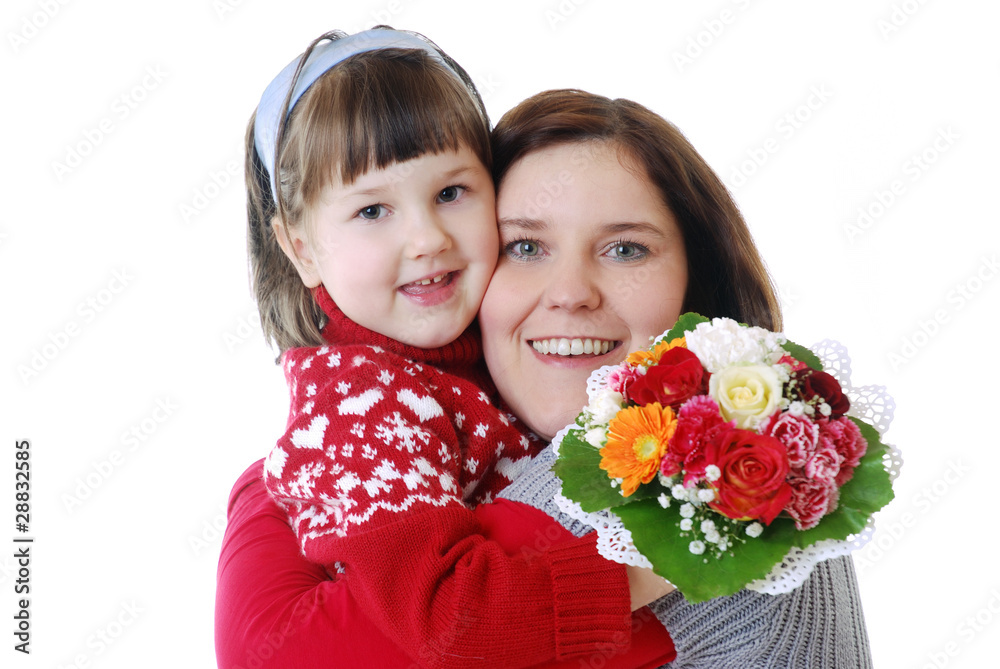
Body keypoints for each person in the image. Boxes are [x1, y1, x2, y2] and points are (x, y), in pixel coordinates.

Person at [226, 26, 675, 669]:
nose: (428, 238)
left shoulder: (486, 359)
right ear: (302, 249)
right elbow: (448, 619)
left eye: (450, 193)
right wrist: (654, 571)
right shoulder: (361, 408)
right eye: (373, 211)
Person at [484, 89, 873, 669]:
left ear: (699, 282)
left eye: (625, 249)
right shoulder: (414, 447)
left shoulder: (730, 499)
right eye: (524, 246)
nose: (569, 292)